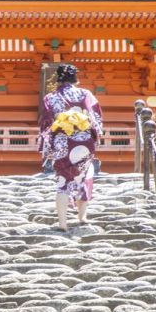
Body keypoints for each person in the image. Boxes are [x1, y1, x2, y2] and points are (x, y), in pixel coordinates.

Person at [39, 64, 103, 231]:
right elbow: (95, 116)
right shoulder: (85, 94)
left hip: (62, 142)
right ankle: (82, 217)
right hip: (84, 142)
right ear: (75, 79)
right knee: (84, 175)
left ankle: (62, 224)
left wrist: (47, 145)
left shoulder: (50, 97)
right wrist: (96, 136)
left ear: (58, 79)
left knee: (63, 180)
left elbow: (46, 122)